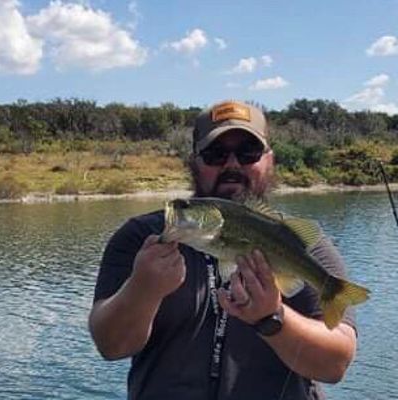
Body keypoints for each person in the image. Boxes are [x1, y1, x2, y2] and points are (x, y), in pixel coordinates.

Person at [89, 100, 357, 400]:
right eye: (216, 154)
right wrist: (143, 289)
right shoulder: (141, 238)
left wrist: (273, 318)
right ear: (194, 162)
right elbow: (111, 346)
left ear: (269, 161)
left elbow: (337, 364)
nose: (232, 165)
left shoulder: (301, 243)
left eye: (248, 153)